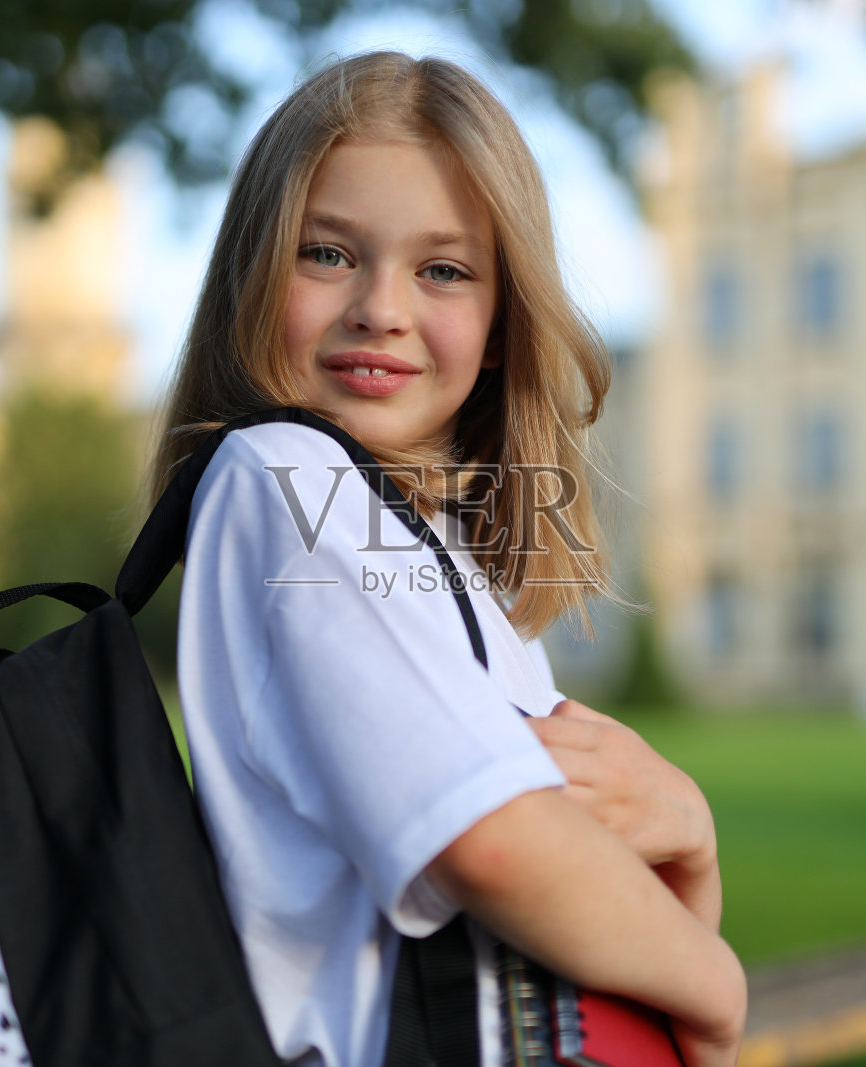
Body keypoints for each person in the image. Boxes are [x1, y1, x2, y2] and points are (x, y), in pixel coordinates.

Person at [155, 51, 746, 1067]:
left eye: (442, 269)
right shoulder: (285, 472)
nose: (381, 306)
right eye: (327, 253)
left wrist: (688, 835)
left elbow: (610, 891)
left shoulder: (446, 556)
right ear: (254, 271)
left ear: (500, 324)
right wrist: (722, 988)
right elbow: (494, 840)